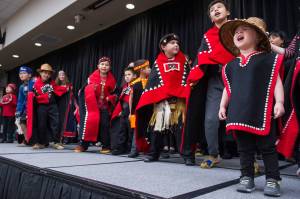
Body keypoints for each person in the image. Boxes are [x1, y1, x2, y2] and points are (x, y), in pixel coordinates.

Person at [219, 17, 284, 197]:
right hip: (239, 113)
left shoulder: (267, 59)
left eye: (244, 30)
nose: (238, 33)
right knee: (244, 148)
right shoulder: (230, 65)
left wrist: (279, 102)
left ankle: (273, 178)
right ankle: (246, 176)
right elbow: (228, 87)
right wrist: (222, 106)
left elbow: (275, 81)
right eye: (236, 31)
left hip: (261, 111)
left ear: (257, 37)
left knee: (267, 147)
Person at [181, 0, 235, 166]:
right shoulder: (207, 36)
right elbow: (201, 57)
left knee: (242, 117)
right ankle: (213, 154)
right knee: (210, 119)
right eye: (212, 10)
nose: (215, 10)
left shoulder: (239, 29)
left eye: (219, 7)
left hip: (237, 76)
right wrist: (194, 77)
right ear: (211, 18)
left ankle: (251, 158)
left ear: (227, 12)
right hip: (215, 79)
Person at [135, 33, 189, 163]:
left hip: (179, 101)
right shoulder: (158, 62)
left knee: (182, 128)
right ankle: (154, 153)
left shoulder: (183, 61)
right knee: (157, 128)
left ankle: (187, 155)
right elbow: (153, 82)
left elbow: (187, 80)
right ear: (163, 47)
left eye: (177, 43)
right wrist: (160, 96)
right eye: (172, 43)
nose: (176, 45)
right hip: (162, 101)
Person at [75, 57, 117, 153]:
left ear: (109, 67)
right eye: (102, 64)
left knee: (104, 125)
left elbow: (115, 94)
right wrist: (90, 91)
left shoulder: (112, 80)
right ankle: (83, 145)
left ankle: (106, 146)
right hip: (91, 106)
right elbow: (82, 91)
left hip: (104, 106)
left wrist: (110, 98)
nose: (104, 66)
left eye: (106, 65)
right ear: (98, 66)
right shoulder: (91, 78)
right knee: (89, 123)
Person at [33, 64, 66, 150]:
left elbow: (57, 89)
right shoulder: (36, 83)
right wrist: (44, 96)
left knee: (55, 123)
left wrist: (66, 88)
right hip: (42, 106)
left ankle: (56, 142)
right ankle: (42, 142)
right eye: (45, 73)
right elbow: (36, 96)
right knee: (41, 124)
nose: (46, 75)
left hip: (52, 105)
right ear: (40, 73)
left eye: (48, 73)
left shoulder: (52, 82)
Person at [127, 59, 151, 158]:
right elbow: (131, 98)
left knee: (151, 130)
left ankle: (151, 149)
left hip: (150, 110)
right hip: (138, 111)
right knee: (137, 131)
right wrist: (130, 112)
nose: (150, 69)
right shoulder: (134, 83)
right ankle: (134, 150)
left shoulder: (151, 81)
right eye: (147, 68)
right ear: (141, 70)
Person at [111, 66, 137, 155]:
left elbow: (133, 100)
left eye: (129, 74)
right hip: (124, 112)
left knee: (131, 131)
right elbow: (122, 100)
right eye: (125, 75)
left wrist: (131, 112)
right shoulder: (125, 87)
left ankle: (130, 148)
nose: (126, 77)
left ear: (134, 76)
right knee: (122, 130)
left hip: (132, 112)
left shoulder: (136, 85)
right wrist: (121, 110)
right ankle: (121, 148)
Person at [55, 70, 78, 144]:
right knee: (59, 121)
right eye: (60, 75)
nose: (61, 76)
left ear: (65, 76)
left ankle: (65, 138)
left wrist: (76, 106)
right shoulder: (56, 85)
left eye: (63, 75)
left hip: (67, 105)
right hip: (59, 105)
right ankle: (57, 138)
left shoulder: (69, 85)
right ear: (58, 76)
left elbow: (72, 96)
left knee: (67, 121)